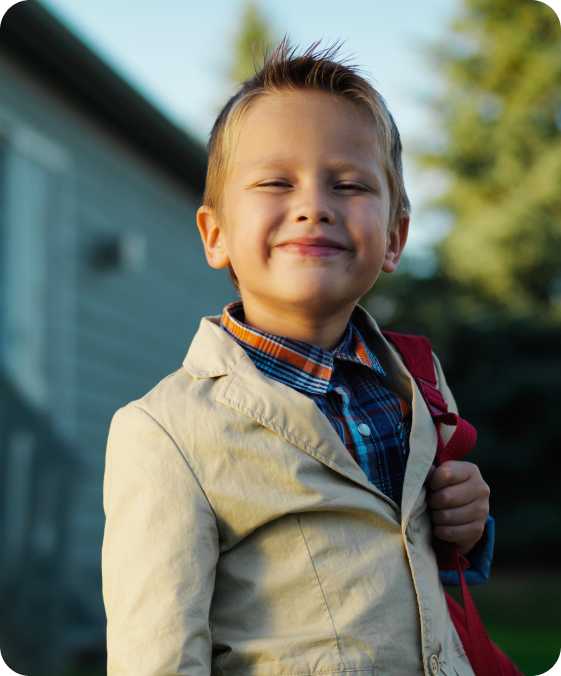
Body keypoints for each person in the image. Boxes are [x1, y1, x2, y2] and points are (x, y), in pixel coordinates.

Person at [101, 38, 494, 676]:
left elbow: (411, 558)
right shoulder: (164, 433)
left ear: (394, 238)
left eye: (348, 184)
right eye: (277, 182)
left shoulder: (417, 380)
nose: (314, 206)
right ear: (216, 234)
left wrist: (467, 525)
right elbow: (158, 657)